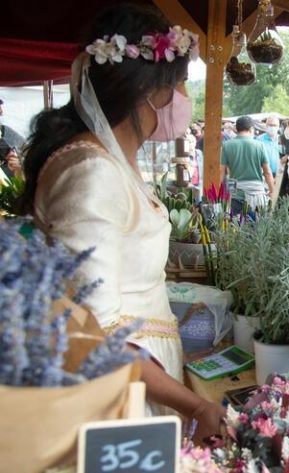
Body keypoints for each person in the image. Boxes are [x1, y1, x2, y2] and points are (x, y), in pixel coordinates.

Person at [21, 3, 223, 438]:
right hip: (118, 396)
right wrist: (195, 406)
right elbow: (98, 334)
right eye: (180, 85)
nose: (183, 99)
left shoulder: (112, 160)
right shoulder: (90, 174)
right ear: (149, 92)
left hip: (146, 380)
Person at [220, 115, 275, 216]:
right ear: (251, 129)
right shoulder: (259, 146)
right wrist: (272, 190)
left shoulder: (227, 145)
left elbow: (221, 172)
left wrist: (221, 194)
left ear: (236, 129)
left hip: (235, 194)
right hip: (256, 194)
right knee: (256, 228)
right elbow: (267, 172)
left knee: (236, 227)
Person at [0, 99, 25, 179]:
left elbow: (27, 152)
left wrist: (19, 162)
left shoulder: (7, 132)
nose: (2, 113)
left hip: (8, 184)